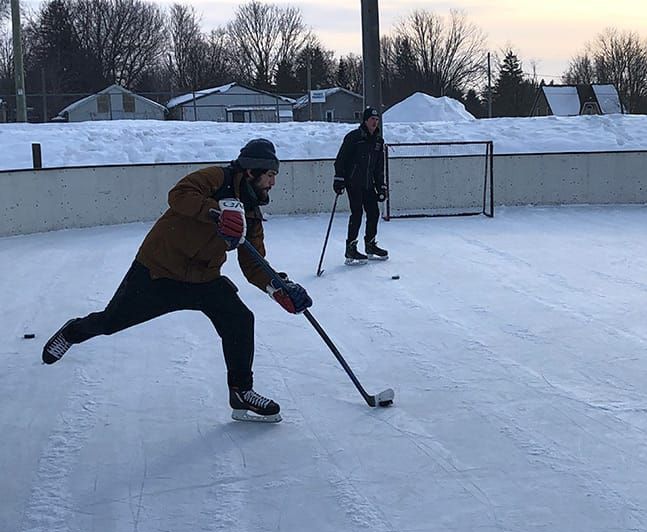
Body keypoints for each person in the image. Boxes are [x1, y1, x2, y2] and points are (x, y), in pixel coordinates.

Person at [41, 138, 312, 423]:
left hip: (204, 278)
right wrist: (217, 212)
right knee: (111, 321)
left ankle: (241, 392)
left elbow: (253, 263)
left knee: (240, 319)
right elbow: (179, 194)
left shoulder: (251, 213)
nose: (273, 183)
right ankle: (72, 332)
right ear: (251, 171)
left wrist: (278, 287)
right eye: (270, 175)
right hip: (159, 272)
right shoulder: (216, 178)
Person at [332, 106, 389, 265]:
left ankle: (370, 245)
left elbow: (378, 167)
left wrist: (381, 186)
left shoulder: (378, 141)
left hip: (368, 184)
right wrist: (339, 178)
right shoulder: (354, 137)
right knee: (357, 213)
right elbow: (341, 159)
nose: (375, 123)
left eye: (377, 120)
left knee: (374, 213)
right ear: (365, 120)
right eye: (372, 119)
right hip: (353, 182)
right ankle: (351, 248)